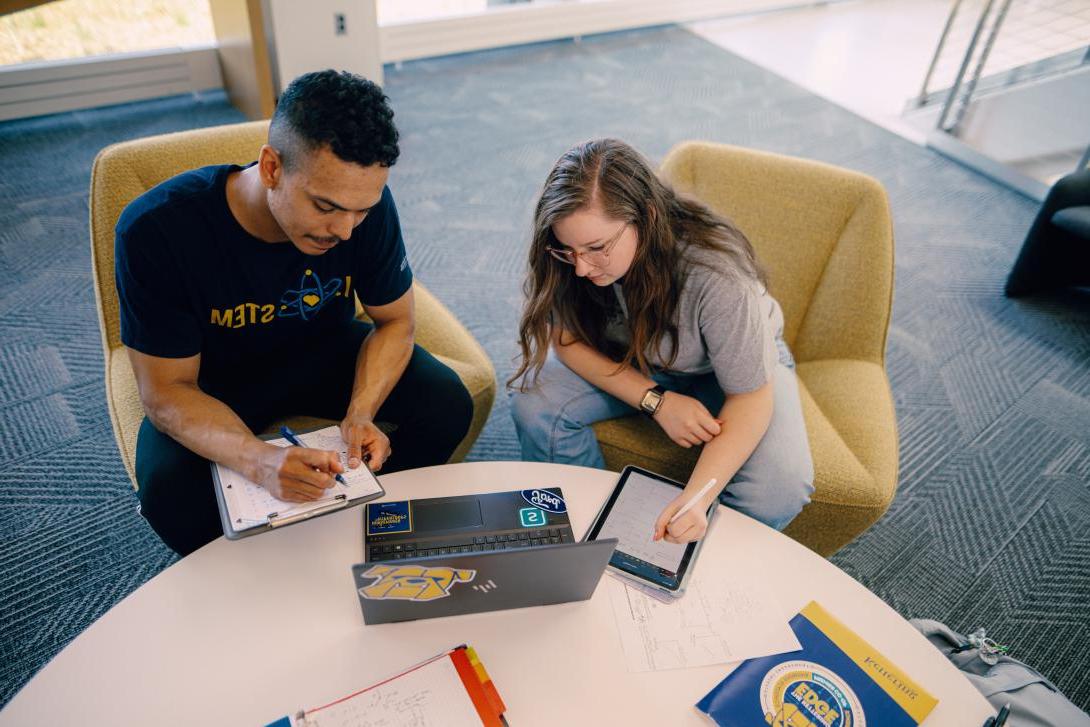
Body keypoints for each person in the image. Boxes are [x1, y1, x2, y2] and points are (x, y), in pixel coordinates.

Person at [116, 70, 473, 556]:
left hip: (323, 348)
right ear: (270, 168)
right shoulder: (156, 230)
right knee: (166, 489)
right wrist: (259, 460)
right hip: (211, 378)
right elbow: (164, 392)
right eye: (326, 206)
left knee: (447, 402)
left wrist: (361, 412)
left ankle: (374, 531)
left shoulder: (363, 207)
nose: (346, 231)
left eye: (360, 211)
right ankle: (253, 574)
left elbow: (395, 321)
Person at [508, 138, 813, 545]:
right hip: (642, 360)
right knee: (535, 402)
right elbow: (566, 340)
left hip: (734, 371)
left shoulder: (717, 276)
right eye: (569, 250)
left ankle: (695, 561)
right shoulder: (569, 251)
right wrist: (656, 401)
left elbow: (750, 397)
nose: (580, 268)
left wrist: (696, 500)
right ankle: (581, 531)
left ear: (646, 217)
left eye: (597, 248)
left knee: (778, 487)